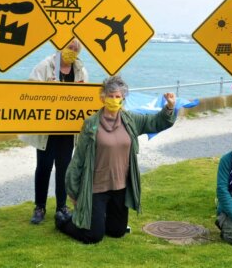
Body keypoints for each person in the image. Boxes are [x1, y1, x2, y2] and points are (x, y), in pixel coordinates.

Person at [55, 75, 176, 243]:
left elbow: (156, 122)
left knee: (117, 232)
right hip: (96, 188)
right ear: (103, 97)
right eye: (110, 96)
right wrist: (73, 191)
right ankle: (63, 221)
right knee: (93, 236)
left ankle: (97, 220)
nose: (113, 100)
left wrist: (169, 108)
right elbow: (79, 159)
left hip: (120, 188)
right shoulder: (91, 124)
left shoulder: (131, 120)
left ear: (123, 99)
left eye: (117, 96)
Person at [21, 38, 89, 224]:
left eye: (75, 48)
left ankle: (61, 206)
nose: (72, 50)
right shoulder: (44, 66)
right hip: (47, 129)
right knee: (43, 167)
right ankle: (40, 207)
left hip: (67, 130)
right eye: (69, 46)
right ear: (61, 47)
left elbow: (86, 99)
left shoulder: (80, 70)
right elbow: (30, 91)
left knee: (64, 168)